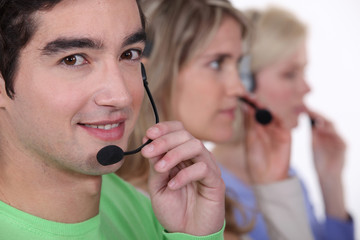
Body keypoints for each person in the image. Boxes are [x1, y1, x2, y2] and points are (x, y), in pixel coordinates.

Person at [0, 0, 227, 239]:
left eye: (129, 54)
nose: (121, 96)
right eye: (73, 59)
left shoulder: (142, 207)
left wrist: (193, 235)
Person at [117, 0, 314, 239]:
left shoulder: (202, 185)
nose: (239, 88)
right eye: (216, 63)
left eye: (238, 64)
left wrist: (275, 185)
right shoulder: (120, 206)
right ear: (146, 72)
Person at [212, 6, 355, 240]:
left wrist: (331, 181)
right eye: (290, 74)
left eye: (303, 72)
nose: (307, 88)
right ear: (244, 83)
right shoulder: (210, 189)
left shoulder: (288, 176)